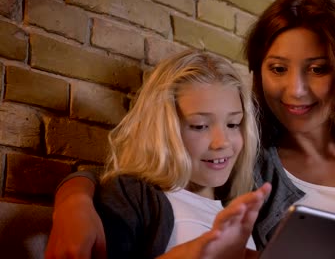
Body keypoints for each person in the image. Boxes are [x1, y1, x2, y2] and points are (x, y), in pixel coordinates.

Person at [45, 0, 335, 258]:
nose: (295, 90)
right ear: (259, 72)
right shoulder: (251, 158)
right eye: (278, 69)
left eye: (318, 69)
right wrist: (74, 200)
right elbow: (141, 177)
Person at [48, 50, 272, 259]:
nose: (222, 142)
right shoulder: (136, 196)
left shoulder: (242, 216)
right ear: (163, 129)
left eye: (233, 124)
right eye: (199, 126)